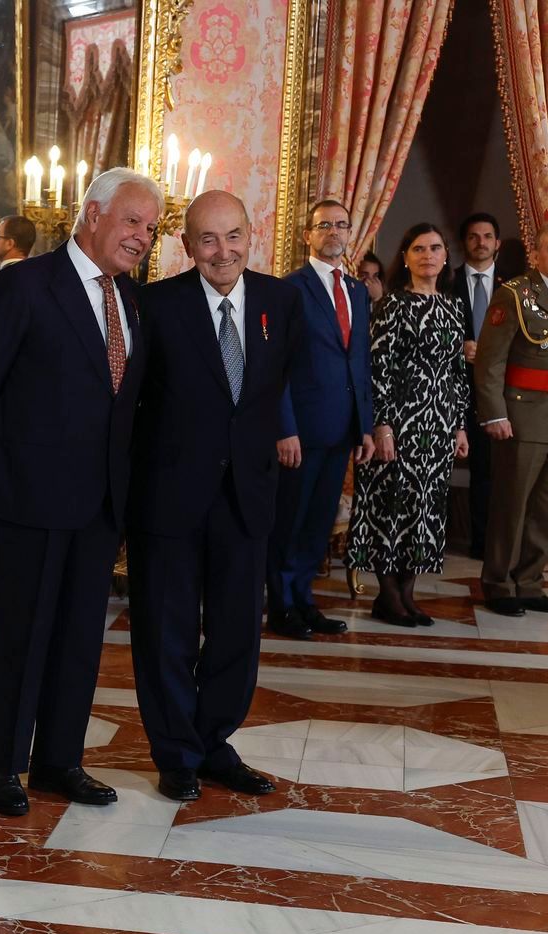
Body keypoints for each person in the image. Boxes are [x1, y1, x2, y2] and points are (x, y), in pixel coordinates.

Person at [0, 166, 159, 818]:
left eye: (152, 228)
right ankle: (6, 766)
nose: (143, 237)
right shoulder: (23, 285)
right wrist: (9, 465)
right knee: (21, 636)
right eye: (133, 221)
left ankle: (60, 760)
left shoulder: (131, 299)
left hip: (101, 502)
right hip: (30, 496)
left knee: (79, 637)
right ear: (93, 214)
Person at [128, 191, 304, 802]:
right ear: (187, 245)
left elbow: (275, 388)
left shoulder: (281, 301)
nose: (221, 251)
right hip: (170, 495)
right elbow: (133, 404)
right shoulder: (154, 305)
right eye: (207, 239)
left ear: (250, 236)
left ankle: (212, 742)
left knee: (236, 633)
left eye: (232, 236)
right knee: (166, 630)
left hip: (247, 493)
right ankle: (175, 752)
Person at [349, 224, 470, 626]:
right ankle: (387, 596)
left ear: (445, 256)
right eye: (418, 248)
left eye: (435, 248)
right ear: (405, 257)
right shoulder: (392, 305)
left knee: (426, 509)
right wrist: (381, 425)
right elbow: (377, 368)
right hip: (399, 424)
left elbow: (457, 372)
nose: (427, 255)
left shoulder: (454, 307)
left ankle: (408, 593)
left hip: (438, 426)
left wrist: (459, 427)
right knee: (392, 508)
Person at [268, 200, 377, 640]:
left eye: (341, 225)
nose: (334, 231)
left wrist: (364, 426)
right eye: (324, 225)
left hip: (341, 429)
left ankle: (304, 601)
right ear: (308, 235)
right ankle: (281, 605)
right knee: (289, 522)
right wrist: (284, 427)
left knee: (317, 522)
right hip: (301, 431)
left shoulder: (355, 291)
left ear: (350, 233)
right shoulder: (288, 290)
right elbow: (277, 367)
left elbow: (360, 362)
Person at [475, 220, 548, 618]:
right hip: (522, 415)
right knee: (512, 505)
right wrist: (495, 414)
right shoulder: (514, 294)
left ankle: (529, 582)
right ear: (536, 254)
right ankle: (498, 583)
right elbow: (490, 363)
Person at [457, 212, 503, 557]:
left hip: (495, 393)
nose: (481, 242)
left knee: (488, 470)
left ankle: (483, 542)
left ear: (497, 243)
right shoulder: (445, 280)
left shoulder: (514, 288)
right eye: (474, 236)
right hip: (451, 387)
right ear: (464, 243)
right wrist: (458, 347)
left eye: (487, 236)